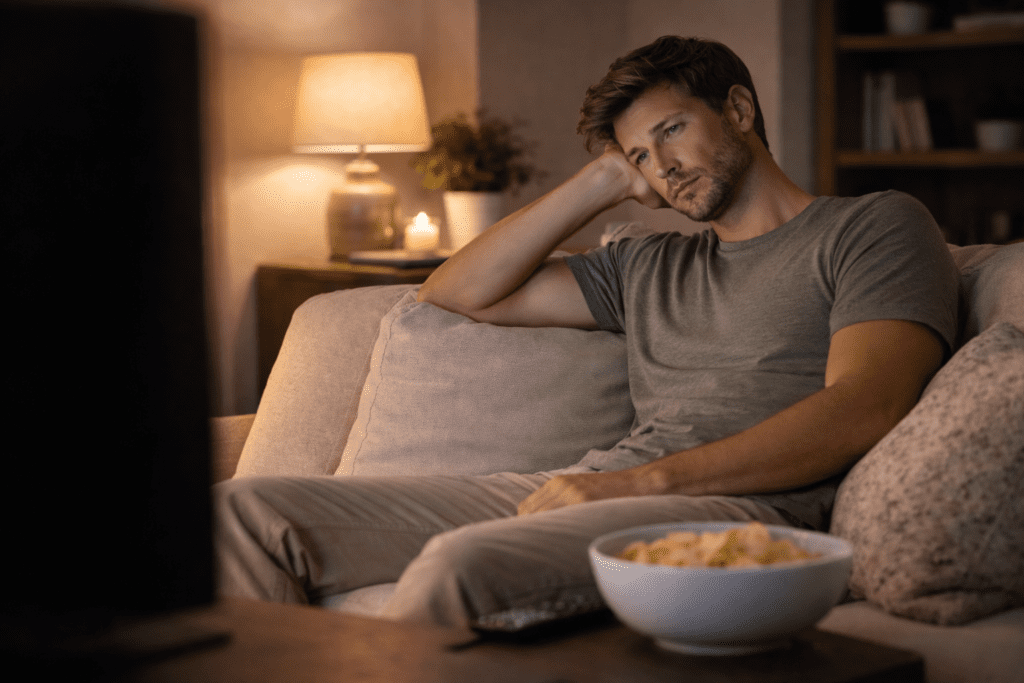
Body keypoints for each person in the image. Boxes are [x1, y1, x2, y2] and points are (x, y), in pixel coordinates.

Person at [215, 36, 959, 631]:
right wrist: (601, 182)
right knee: (243, 513)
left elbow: (867, 403)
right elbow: (455, 290)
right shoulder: (649, 264)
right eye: (640, 156)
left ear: (738, 109)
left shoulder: (872, 225)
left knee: (460, 564)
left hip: (741, 507)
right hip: (592, 486)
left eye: (672, 131)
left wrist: (635, 481)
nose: (662, 168)